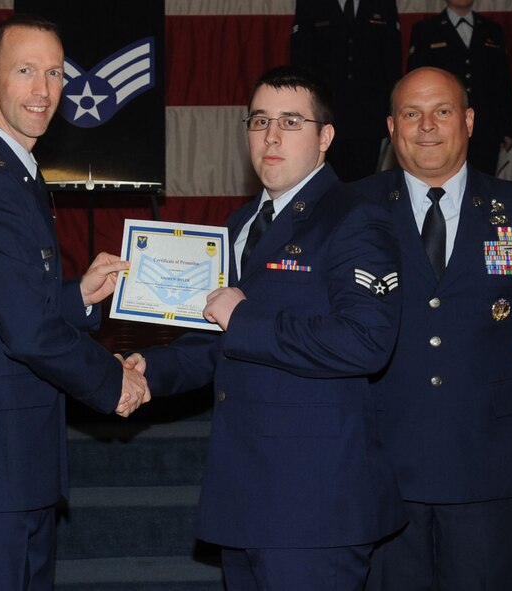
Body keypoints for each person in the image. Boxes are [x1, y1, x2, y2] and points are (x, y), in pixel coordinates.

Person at [125, 65, 405, 590]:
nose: (271, 136)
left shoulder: (354, 219)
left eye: (291, 122)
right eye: (259, 121)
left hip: (314, 507)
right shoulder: (240, 225)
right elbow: (221, 342)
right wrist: (151, 370)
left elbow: (366, 342)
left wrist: (244, 316)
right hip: (246, 496)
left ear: (325, 138)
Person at [0, 15, 149, 590]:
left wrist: (78, 296)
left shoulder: (14, 170)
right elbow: (27, 334)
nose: (43, 91)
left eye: (54, 74)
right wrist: (112, 382)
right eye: (25, 72)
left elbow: (4, 307)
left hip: (11, 463)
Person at [351, 67, 512, 591]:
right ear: (392, 127)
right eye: (411, 114)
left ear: (469, 120)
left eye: (442, 111)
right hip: (381, 458)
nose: (427, 126)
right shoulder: (353, 210)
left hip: (488, 457)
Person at [291, 0, 402, 181]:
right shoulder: (310, 3)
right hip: (327, 117)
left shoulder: (383, 3)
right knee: (326, 186)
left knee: (366, 186)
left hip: (370, 120)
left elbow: (392, 64)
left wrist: (395, 111)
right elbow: (302, 64)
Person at [407, 0, 512, 176]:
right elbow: (414, 85)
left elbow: (502, 82)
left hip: (486, 127)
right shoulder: (426, 30)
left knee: (483, 186)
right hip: (442, 127)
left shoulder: (492, 30)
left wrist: (506, 128)